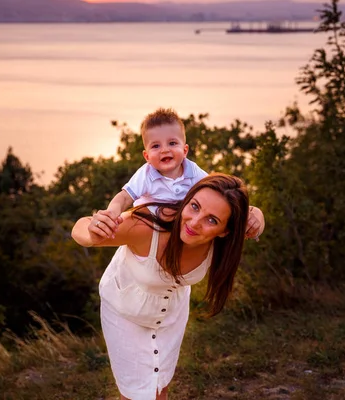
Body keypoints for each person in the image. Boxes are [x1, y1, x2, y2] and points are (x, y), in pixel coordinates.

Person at [71, 173, 264, 400]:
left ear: (225, 231)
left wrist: (258, 217)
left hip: (171, 314)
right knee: (136, 394)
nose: (194, 222)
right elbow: (80, 228)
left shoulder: (223, 242)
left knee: (160, 387)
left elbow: (253, 215)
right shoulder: (146, 226)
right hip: (125, 311)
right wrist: (93, 231)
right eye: (194, 206)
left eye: (211, 220)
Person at [99, 107, 264, 241]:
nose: (165, 149)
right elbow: (124, 197)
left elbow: (219, 194)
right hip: (148, 232)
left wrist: (252, 212)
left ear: (185, 150)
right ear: (147, 156)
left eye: (172, 143)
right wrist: (112, 212)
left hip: (180, 235)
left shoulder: (194, 172)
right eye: (155, 146)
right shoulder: (146, 174)